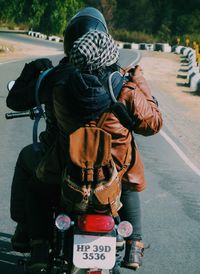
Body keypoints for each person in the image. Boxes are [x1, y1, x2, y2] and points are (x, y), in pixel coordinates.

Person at [7, 7, 163, 272]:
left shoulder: (56, 80)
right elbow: (154, 124)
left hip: (66, 167)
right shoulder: (125, 86)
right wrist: (141, 83)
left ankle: (38, 244)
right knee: (128, 178)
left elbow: (16, 100)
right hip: (112, 173)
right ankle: (134, 243)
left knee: (33, 176)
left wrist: (34, 69)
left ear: (72, 44)